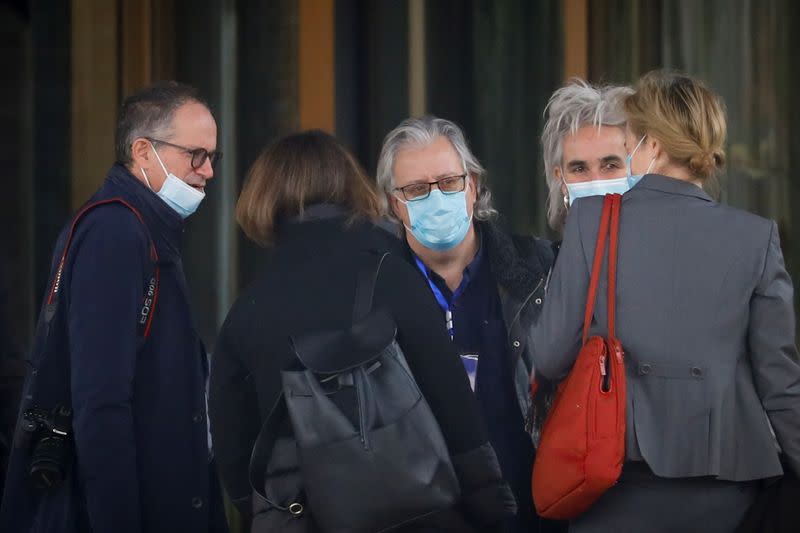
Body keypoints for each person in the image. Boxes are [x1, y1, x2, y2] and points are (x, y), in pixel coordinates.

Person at [531, 70, 800, 532]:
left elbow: (550, 354)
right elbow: (780, 382)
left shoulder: (591, 222)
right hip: (728, 475)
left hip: (615, 472)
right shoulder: (757, 236)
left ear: (652, 145)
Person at [209, 130, 516, 532]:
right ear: (351, 186)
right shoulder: (392, 275)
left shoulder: (245, 312)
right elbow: (454, 403)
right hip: (418, 516)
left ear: (262, 198)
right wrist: (492, 507)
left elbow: (234, 453)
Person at [0, 82, 228, 533]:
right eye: (195, 155)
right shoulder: (116, 232)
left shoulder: (141, 227)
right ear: (143, 151)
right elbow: (101, 400)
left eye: (213, 158)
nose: (208, 172)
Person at [376, 116, 562, 533]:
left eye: (448, 182)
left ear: (473, 186)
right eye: (417, 190)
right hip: (420, 518)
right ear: (394, 204)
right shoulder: (372, 293)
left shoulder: (538, 271)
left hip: (532, 514)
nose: (436, 197)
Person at [541, 80, 633, 235]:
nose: (596, 181)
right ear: (560, 178)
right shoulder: (547, 259)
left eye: (610, 165)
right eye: (579, 169)